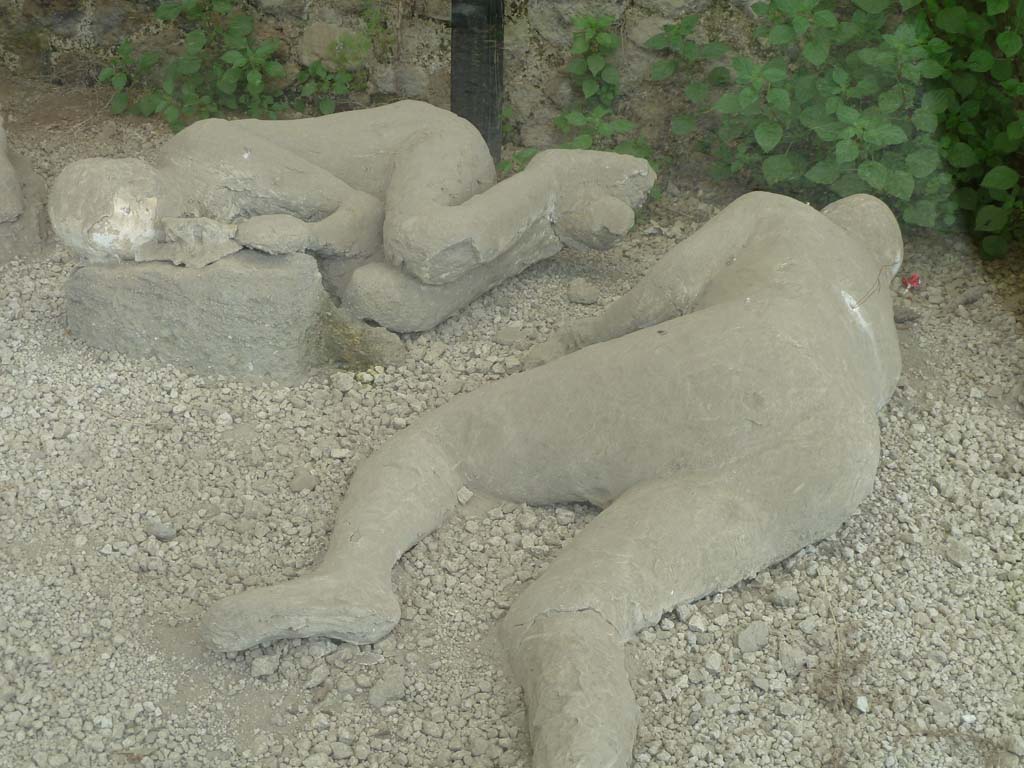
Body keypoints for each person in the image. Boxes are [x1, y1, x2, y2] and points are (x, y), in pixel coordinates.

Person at [201, 191, 903, 768]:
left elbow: (671, 288)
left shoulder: (783, 212)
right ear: (886, 267)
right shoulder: (884, 337)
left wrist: (575, 343)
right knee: (574, 613)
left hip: (743, 355)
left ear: (833, 210)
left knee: (448, 443)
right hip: (839, 452)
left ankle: (352, 576)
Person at [47, 100, 654, 331]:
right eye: (138, 250)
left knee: (422, 246)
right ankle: (536, 238)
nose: (164, 244)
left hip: (424, 150)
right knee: (388, 302)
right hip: (372, 216)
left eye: (154, 227)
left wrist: (306, 235)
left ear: (147, 186)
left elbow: (359, 212)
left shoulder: (217, 158)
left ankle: (549, 180)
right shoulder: (184, 205)